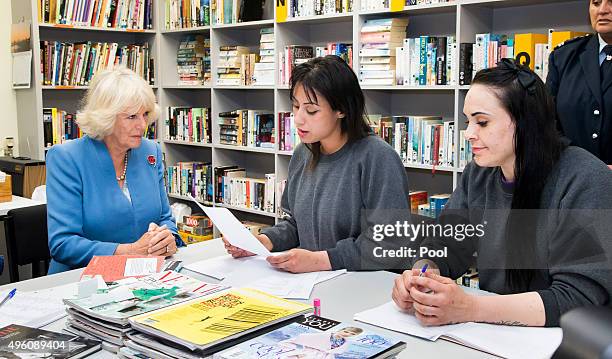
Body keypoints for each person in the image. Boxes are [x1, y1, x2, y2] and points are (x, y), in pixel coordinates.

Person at [392, 59, 612, 327]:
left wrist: (470, 307)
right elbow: (446, 244)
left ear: (525, 123)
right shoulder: (478, 173)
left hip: (562, 341)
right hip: (493, 334)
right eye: (468, 121)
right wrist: (422, 275)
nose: (468, 134)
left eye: (482, 122)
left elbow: (578, 298)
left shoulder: (585, 178)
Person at [224, 55, 411, 273]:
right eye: (295, 106)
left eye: (311, 110)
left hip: (364, 286)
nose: (299, 119)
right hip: (313, 283)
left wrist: (321, 260)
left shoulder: (378, 158)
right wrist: (264, 241)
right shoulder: (303, 154)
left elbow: (389, 244)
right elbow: (296, 224)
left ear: (341, 109)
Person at [46, 67, 182, 274]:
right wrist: (129, 251)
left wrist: (169, 239)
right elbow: (63, 244)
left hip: (144, 277)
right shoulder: (66, 157)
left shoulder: (149, 151)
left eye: (145, 114)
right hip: (82, 280)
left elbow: (165, 218)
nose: (143, 125)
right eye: (131, 117)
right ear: (105, 117)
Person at [546, 0, 612, 167]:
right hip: (573, 179)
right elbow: (546, 122)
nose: (602, 10)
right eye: (596, 3)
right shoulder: (564, 57)